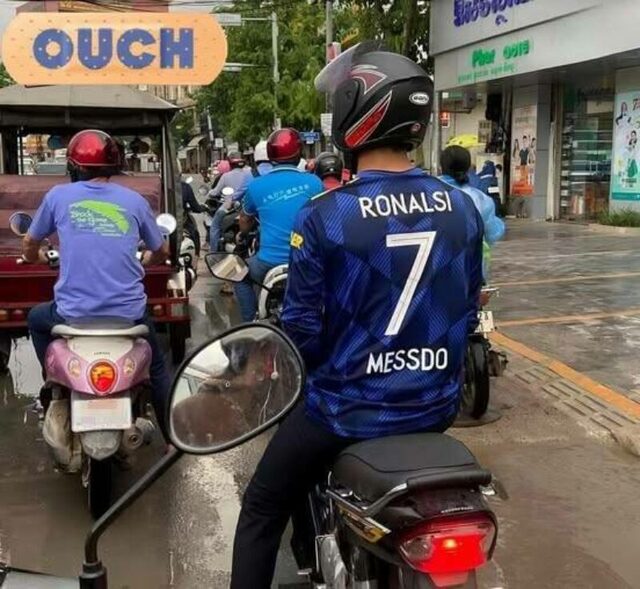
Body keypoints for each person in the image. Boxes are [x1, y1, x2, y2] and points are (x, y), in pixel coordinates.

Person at [230, 45, 485, 588]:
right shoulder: (461, 207)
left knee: (261, 508)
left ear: (354, 112)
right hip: (435, 407)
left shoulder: (326, 214)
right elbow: (467, 308)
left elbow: (301, 330)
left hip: (345, 412)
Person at [24, 130, 171, 436]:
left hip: (72, 315)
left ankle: (54, 377)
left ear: (73, 166)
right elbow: (161, 251)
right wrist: (147, 260)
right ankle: (172, 438)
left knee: (36, 319)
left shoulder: (57, 196)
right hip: (128, 315)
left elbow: (30, 242)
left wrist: (34, 257)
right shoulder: (134, 201)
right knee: (157, 368)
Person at [233, 128, 323, 322]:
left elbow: (245, 220)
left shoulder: (256, 186)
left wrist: (243, 233)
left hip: (268, 263)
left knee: (239, 276)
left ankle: (250, 323)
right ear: (299, 153)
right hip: (305, 261)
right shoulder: (315, 183)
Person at [440, 145, 505, 278]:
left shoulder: (426, 193)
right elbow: (493, 233)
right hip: (472, 271)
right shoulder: (481, 199)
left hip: (434, 269)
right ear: (469, 167)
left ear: (442, 167)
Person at [208, 152, 253, 251]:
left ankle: (213, 252)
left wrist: (209, 192)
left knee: (214, 227)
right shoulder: (249, 173)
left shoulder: (226, 176)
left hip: (227, 207)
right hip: (245, 207)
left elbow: (215, 192)